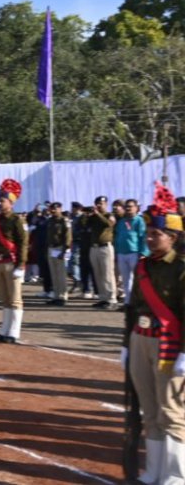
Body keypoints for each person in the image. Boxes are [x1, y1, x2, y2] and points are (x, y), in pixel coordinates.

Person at [123, 182, 185, 484]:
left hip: (169, 343)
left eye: (155, 233)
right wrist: (126, 344)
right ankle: (155, 471)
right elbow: (133, 307)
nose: (149, 237)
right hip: (140, 339)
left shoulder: (182, 268)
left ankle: (176, 474)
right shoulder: (143, 266)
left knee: (171, 410)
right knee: (148, 408)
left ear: (172, 237)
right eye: (148, 233)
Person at [0, 179, 29, 344]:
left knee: (14, 298)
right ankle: (4, 329)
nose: (0, 203)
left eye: (3, 200)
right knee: (4, 298)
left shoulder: (17, 220)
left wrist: (21, 265)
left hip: (11, 263)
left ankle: (14, 331)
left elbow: (23, 243)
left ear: (11, 202)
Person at [115, 198, 149, 306]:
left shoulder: (140, 221)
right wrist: (116, 252)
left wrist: (143, 253)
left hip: (134, 253)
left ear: (136, 208)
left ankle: (140, 302)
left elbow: (143, 237)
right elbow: (117, 237)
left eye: (130, 206)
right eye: (126, 207)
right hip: (122, 253)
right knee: (126, 280)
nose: (128, 208)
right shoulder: (121, 222)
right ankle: (128, 302)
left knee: (138, 279)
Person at [88, 195, 118, 310]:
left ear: (106, 204)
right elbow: (85, 224)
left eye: (101, 203)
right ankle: (103, 298)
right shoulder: (94, 216)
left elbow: (108, 223)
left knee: (107, 274)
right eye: (98, 203)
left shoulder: (109, 215)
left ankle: (112, 299)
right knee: (98, 274)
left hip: (105, 247)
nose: (99, 206)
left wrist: (97, 214)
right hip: (94, 247)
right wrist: (88, 215)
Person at [46, 202, 72, 306]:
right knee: (54, 273)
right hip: (51, 248)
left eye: (55, 209)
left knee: (61, 274)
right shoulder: (50, 221)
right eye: (52, 209)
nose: (53, 211)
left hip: (61, 248)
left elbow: (68, 236)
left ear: (60, 209)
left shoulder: (64, 220)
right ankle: (56, 296)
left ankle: (62, 296)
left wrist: (65, 250)